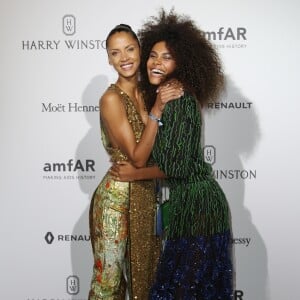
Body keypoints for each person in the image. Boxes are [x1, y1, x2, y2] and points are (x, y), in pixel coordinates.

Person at [110, 10, 233, 299]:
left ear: (182, 63)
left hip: (199, 208)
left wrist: (134, 173)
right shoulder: (165, 99)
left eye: (167, 57)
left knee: (180, 291)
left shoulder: (179, 100)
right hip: (187, 206)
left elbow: (177, 167)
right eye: (153, 55)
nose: (156, 62)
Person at [88, 24, 183, 300]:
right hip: (115, 201)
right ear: (109, 59)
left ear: (140, 50)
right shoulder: (110, 99)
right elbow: (138, 157)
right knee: (109, 284)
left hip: (146, 195)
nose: (124, 57)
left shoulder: (150, 89)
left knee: (148, 279)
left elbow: (171, 154)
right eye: (115, 53)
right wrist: (156, 110)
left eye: (130, 49)